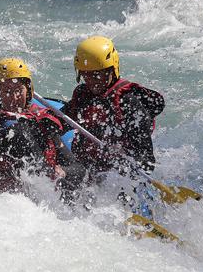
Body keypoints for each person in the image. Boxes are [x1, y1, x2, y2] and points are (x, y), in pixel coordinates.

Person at [62, 36, 165, 176]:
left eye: (97, 75)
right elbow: (59, 121)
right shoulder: (83, 95)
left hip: (118, 175)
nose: (92, 81)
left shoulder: (128, 102)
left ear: (112, 70)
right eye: (86, 75)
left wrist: (131, 174)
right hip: (87, 167)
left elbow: (145, 158)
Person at [0, 58, 84, 197]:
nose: (14, 97)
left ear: (28, 91)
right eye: (6, 91)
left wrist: (63, 171)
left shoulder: (41, 122)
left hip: (40, 193)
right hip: (5, 198)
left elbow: (78, 169)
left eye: (19, 90)